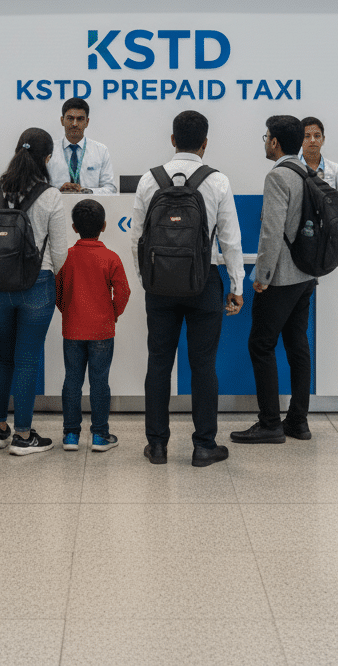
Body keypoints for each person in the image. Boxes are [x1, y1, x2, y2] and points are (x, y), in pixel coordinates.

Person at [130, 110, 244, 468]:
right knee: (203, 365)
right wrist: (237, 285)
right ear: (205, 143)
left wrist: (146, 278)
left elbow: (137, 237)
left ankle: (158, 446)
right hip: (203, 283)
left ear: (173, 140)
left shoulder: (150, 180)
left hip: (159, 285)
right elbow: (231, 240)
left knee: (158, 363)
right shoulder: (218, 181)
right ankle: (204, 446)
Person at [0, 127, 70, 455]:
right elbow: (59, 254)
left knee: (1, 357)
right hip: (36, 285)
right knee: (28, 359)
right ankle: (23, 435)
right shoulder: (50, 196)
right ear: (46, 159)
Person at [231, 115, 318, 445]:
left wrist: (262, 276)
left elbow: (271, 232)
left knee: (260, 344)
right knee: (297, 344)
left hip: (281, 277)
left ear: (275, 142)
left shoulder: (279, 176)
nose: (265, 141)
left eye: (266, 136)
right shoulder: (306, 172)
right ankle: (298, 420)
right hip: (306, 275)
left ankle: (269, 422)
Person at [56, 198, 130, 452]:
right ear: (105, 225)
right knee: (100, 381)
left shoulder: (66, 257)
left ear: (74, 227)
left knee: (72, 381)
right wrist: (113, 314)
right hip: (102, 330)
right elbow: (123, 292)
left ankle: (70, 435)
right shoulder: (111, 257)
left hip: (73, 328)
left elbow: (57, 292)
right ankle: (100, 435)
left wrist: (68, 311)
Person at [47, 97, 117, 194]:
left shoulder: (100, 150)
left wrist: (85, 191)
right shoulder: (49, 149)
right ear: (62, 120)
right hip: (56, 205)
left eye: (80, 119)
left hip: (90, 207)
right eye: (70, 118)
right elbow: (40, 186)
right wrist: (58, 190)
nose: (74, 124)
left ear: (87, 122)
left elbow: (111, 189)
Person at [299, 116, 338, 191]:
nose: (312, 140)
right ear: (299, 139)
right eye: (307, 136)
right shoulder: (292, 168)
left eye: (317, 136)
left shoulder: (335, 169)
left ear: (323, 139)